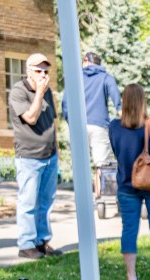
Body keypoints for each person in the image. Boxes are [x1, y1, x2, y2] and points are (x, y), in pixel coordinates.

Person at [108, 84, 150, 280]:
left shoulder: (114, 127)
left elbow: (119, 152)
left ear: (124, 102)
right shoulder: (149, 126)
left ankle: (131, 276)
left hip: (127, 185)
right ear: (142, 101)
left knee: (129, 230)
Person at [9, 53, 61, 260]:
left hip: (50, 155)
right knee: (28, 202)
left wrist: (56, 149)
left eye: (45, 71)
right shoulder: (18, 91)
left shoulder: (47, 92)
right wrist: (39, 92)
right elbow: (30, 118)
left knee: (46, 202)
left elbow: (51, 122)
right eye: (38, 70)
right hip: (29, 156)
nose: (42, 75)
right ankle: (26, 244)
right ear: (28, 71)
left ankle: (42, 241)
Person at [62, 51, 121, 195]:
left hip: (79, 126)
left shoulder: (76, 78)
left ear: (85, 61)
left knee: (80, 163)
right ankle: (99, 196)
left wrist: (71, 122)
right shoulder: (106, 78)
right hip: (99, 125)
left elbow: (65, 103)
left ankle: (83, 197)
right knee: (101, 164)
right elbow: (117, 101)